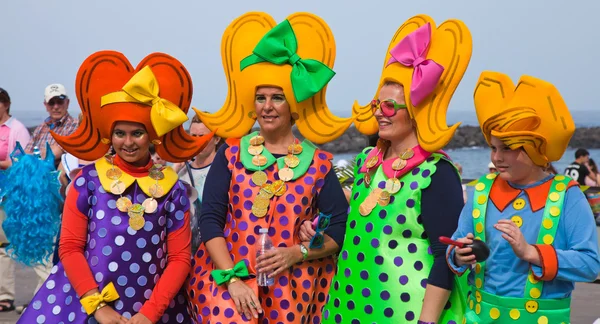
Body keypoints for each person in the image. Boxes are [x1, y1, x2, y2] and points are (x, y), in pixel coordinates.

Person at [17, 51, 214, 324]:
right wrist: (98, 307)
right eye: (120, 133)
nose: (128, 142)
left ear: (153, 137)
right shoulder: (87, 182)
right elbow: (70, 248)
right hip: (88, 308)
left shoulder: (174, 190)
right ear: (111, 136)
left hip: (155, 312)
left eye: (137, 133)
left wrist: (149, 314)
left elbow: (180, 258)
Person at [187, 12, 351, 324]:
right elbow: (210, 220)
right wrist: (232, 281)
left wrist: (298, 252)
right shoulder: (231, 153)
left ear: (294, 107)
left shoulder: (319, 164)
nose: (267, 106)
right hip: (229, 287)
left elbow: (338, 229)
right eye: (261, 98)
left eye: (277, 98)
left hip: (293, 292)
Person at [313, 15, 473, 323]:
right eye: (377, 105)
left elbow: (445, 257)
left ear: (415, 112)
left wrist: (427, 321)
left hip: (407, 313)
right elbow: (354, 228)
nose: (380, 115)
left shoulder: (436, 173)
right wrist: (317, 229)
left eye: (390, 107)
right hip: (350, 307)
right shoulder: (365, 162)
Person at [446, 71, 600, 323]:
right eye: (493, 147)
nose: (496, 158)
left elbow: (590, 264)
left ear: (533, 149)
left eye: (507, 148)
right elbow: (455, 246)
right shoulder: (482, 191)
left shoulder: (567, 196)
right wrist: (458, 254)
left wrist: (532, 253)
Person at [0, 87, 30, 312]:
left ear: (6, 104)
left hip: (8, 194)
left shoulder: (17, 129)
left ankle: (5, 295)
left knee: (4, 245)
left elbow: (22, 162)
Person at [175, 115, 222, 253]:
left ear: (216, 139)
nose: (197, 140)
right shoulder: (181, 172)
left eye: (202, 136)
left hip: (217, 246)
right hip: (189, 250)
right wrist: (174, 170)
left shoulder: (226, 170)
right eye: (193, 135)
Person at [25, 83, 78, 163]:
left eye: (59, 102)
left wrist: (34, 157)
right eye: (51, 103)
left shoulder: (75, 125)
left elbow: (55, 153)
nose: (56, 107)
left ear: (67, 103)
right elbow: (26, 153)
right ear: (45, 105)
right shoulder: (40, 128)